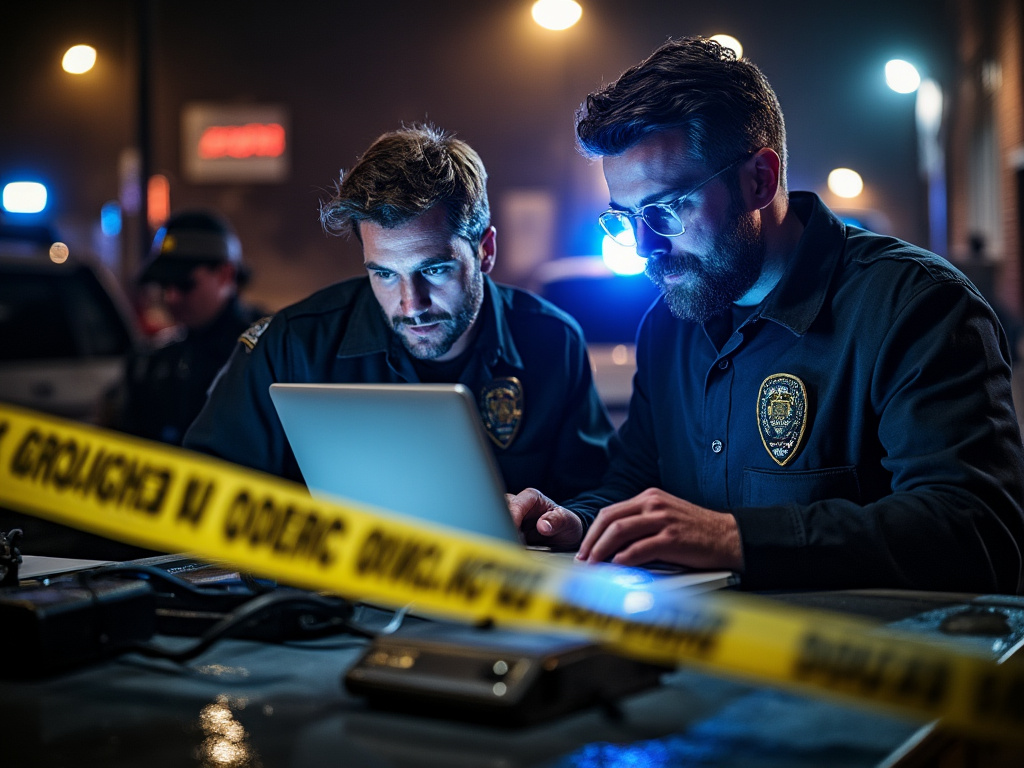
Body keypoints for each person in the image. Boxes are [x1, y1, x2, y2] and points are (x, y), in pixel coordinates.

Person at [509, 37, 1024, 594]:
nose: (645, 247)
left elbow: (977, 532)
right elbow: (635, 480)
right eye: (626, 217)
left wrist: (736, 539)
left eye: (666, 210)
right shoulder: (668, 323)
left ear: (759, 178)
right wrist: (574, 522)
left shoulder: (916, 306)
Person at [184, 125, 613, 500]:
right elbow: (203, 497)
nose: (411, 304)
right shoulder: (291, 348)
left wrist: (562, 520)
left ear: (485, 250)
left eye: (435, 269)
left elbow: (599, 492)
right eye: (385, 275)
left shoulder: (553, 342)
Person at [116, 209, 264, 445]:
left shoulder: (268, 352)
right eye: (164, 284)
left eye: (185, 285)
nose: (172, 297)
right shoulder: (152, 361)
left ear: (225, 275)